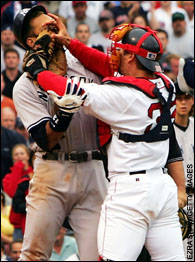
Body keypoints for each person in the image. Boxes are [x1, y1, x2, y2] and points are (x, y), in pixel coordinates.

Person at [27, 20, 187, 260]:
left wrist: (39, 72)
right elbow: (107, 66)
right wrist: (70, 43)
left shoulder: (121, 96)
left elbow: (67, 88)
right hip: (162, 188)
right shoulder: (164, 83)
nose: (114, 54)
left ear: (131, 58)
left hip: (130, 192)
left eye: (120, 50)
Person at [12, 5, 108, 261]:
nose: (53, 31)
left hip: (93, 170)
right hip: (52, 173)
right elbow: (45, 139)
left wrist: (72, 43)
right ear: (32, 41)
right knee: (33, 255)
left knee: (99, 255)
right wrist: (62, 116)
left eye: (54, 24)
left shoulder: (85, 62)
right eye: (46, 28)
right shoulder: (24, 85)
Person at [173, 83, 194, 261]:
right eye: (179, 99)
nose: (183, 103)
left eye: (187, 98)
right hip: (176, 198)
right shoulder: (166, 131)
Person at [2, 144, 33, 241]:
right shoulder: (8, 178)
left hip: (35, 220)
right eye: (16, 154)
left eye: (22, 153)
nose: (19, 156)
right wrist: (18, 169)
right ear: (12, 158)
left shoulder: (36, 173)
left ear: (28, 156)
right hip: (19, 224)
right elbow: (12, 193)